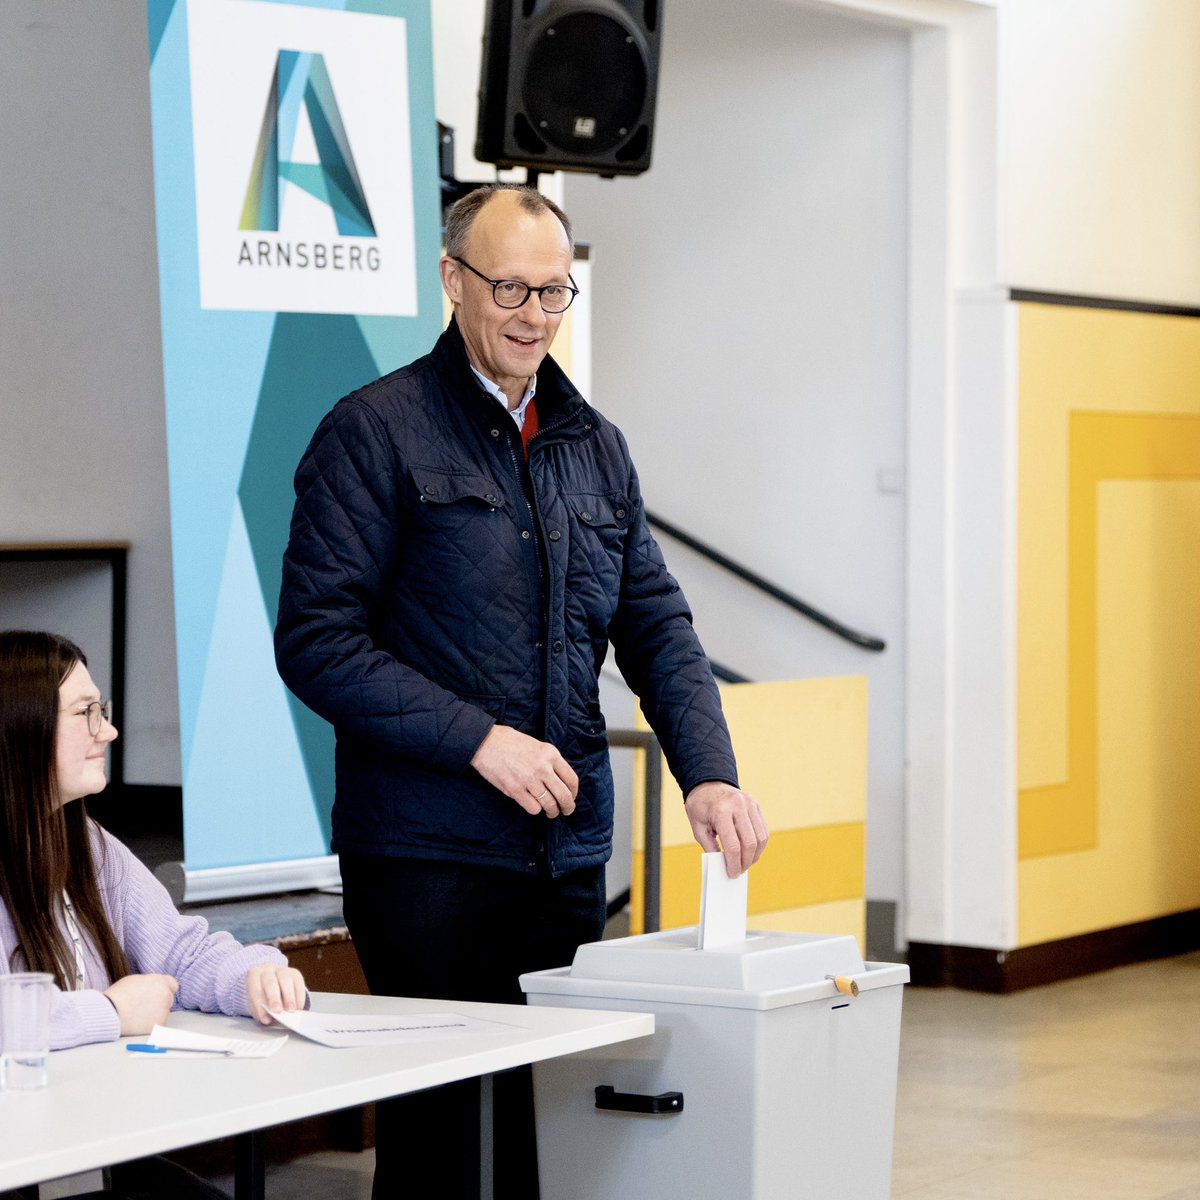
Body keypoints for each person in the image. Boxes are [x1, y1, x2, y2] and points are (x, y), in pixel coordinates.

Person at [274, 183, 769, 1197]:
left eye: (555, 292)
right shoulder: (373, 432)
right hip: (424, 856)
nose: (534, 316)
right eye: (510, 288)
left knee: (548, 1125)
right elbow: (317, 642)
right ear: (452, 281)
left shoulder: (596, 445)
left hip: (562, 856)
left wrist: (708, 775)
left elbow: (657, 627)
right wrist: (480, 741)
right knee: (444, 1144)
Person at [0, 630, 308, 1200]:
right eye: (86, 713)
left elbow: (182, 951)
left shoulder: (88, 844)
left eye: (104, 711)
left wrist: (255, 977)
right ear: (21, 726)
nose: (109, 731)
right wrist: (110, 1013)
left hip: (84, 1147)